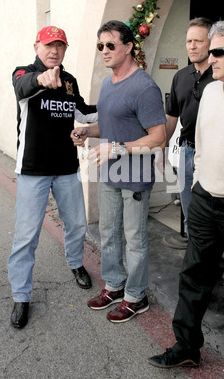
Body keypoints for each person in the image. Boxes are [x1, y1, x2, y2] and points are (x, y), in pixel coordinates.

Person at [148, 18, 224, 369]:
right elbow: (199, 141)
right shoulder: (212, 91)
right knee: (193, 275)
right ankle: (186, 346)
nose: (209, 58)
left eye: (218, 51)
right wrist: (199, 181)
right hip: (204, 200)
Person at [71, 20, 166, 323]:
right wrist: (89, 131)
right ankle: (114, 284)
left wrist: (117, 148)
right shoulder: (107, 83)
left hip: (134, 174)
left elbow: (158, 137)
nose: (104, 51)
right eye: (100, 46)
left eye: (111, 45)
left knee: (134, 238)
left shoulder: (144, 86)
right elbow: (112, 125)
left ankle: (136, 296)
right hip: (109, 172)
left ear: (128, 47)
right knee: (109, 234)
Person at [8, 25, 98, 329]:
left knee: (76, 223)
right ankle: (21, 296)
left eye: (60, 45)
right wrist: (40, 79)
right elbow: (23, 88)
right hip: (33, 170)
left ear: (65, 49)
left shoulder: (69, 82)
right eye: (48, 45)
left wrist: (119, 106)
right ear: (37, 46)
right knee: (26, 236)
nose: (54, 50)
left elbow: (85, 113)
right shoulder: (24, 74)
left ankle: (75, 264)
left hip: (66, 168)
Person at [165, 18, 215, 236]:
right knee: (189, 213)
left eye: (198, 41)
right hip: (187, 152)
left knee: (213, 215)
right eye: (188, 41)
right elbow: (171, 118)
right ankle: (195, 257)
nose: (192, 46)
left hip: (214, 155)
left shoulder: (222, 75)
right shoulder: (180, 77)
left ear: (211, 43)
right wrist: (159, 149)